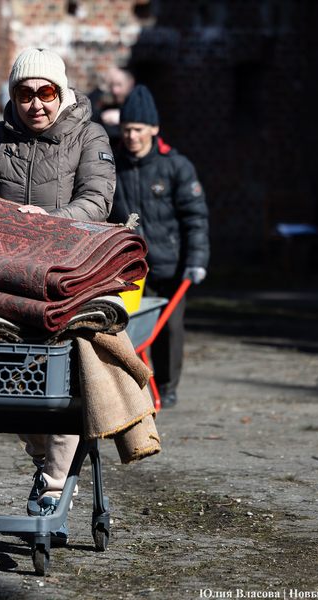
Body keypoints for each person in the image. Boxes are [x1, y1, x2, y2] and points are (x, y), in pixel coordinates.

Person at [0, 47, 115, 545]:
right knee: (7, 385)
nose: (36, 104)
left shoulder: (88, 135)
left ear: (61, 92)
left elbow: (97, 199)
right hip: (4, 284)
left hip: (64, 281)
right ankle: (48, 461)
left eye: (46, 92)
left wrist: (50, 221)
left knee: (60, 387)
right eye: (24, 94)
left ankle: (52, 485)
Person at [107, 85, 209, 409]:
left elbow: (195, 218)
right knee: (127, 326)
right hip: (129, 266)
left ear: (154, 128)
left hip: (169, 265)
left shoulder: (175, 166)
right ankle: (133, 387)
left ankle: (166, 387)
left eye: (138, 129)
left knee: (169, 329)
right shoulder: (111, 164)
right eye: (126, 129)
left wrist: (197, 260)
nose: (131, 136)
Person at [89, 65, 135, 148]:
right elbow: (86, 110)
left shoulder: (137, 109)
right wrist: (103, 85)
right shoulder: (108, 110)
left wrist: (123, 117)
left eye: (119, 85)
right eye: (112, 85)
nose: (114, 90)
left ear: (130, 83)